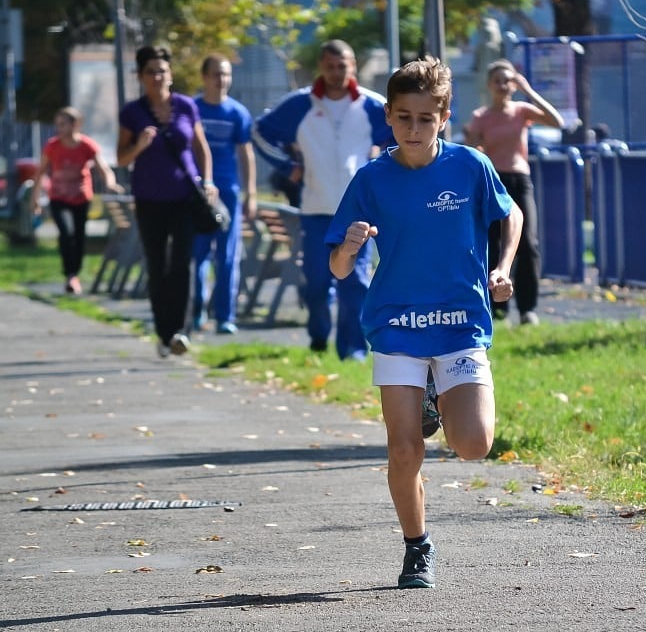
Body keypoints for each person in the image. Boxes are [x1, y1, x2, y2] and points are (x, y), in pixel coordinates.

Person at [327, 57, 522, 589]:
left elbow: (511, 214)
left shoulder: (470, 166)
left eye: (425, 119)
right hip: (397, 325)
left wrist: (502, 268)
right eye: (404, 118)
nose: (414, 129)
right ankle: (417, 547)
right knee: (403, 446)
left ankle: (439, 393)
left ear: (444, 118)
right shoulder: (371, 180)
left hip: (460, 323)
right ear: (388, 117)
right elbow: (338, 268)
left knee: (475, 444)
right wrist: (349, 248)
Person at [253, 39, 393, 360]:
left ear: (353, 66)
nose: (336, 72)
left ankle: (353, 350)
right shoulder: (301, 104)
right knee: (316, 281)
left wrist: (382, 168)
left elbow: (399, 136)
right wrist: (288, 166)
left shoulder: (372, 106)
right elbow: (259, 132)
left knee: (355, 283)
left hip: (358, 212)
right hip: (315, 209)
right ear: (321, 67)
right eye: (329, 66)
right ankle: (318, 337)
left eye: (342, 66)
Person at [117, 45, 218, 358]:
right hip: (149, 201)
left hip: (185, 198)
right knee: (158, 266)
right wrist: (140, 145)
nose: (157, 76)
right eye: (151, 72)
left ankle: (180, 332)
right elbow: (121, 158)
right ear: (140, 77)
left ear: (170, 74)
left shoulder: (186, 106)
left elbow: (201, 148)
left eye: (162, 71)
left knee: (182, 265)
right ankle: (163, 332)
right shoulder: (132, 113)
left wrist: (209, 181)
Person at [464, 58, 564, 326]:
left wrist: (529, 91)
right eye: (497, 80)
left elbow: (557, 122)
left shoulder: (521, 111)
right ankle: (498, 308)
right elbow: (471, 151)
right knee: (494, 246)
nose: (502, 85)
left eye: (507, 80)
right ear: (489, 84)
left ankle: (527, 309)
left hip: (520, 181)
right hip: (493, 184)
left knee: (528, 245)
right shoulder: (480, 117)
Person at [192, 54, 257, 335]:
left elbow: (246, 154)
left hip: (228, 194)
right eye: (217, 74)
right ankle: (195, 312)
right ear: (205, 77)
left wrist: (250, 193)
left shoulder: (237, 113)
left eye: (226, 74)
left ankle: (225, 317)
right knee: (198, 255)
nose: (222, 80)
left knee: (228, 256)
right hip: (196, 194)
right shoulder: (192, 109)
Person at [30, 106, 123, 294]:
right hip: (58, 197)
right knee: (66, 233)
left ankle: (75, 275)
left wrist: (111, 183)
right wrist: (35, 197)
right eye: (58, 124)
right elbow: (40, 172)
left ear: (75, 125)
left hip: (81, 198)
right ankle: (69, 274)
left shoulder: (87, 145)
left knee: (79, 236)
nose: (59, 128)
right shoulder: (52, 146)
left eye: (63, 124)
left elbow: (103, 168)